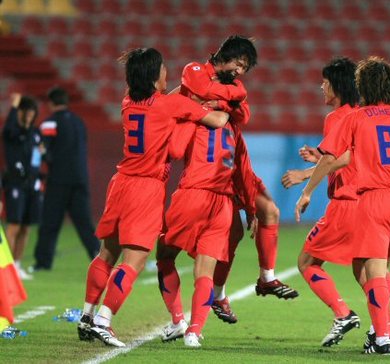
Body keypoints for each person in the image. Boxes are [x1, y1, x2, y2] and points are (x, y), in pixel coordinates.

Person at [76, 48, 229, 347]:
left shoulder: (128, 101)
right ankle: (105, 321)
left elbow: (170, 98)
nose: (166, 73)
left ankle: (87, 315)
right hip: (145, 188)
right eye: (162, 69)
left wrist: (185, 93)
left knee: (107, 253)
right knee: (134, 260)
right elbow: (217, 120)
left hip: (119, 182)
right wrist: (222, 108)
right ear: (154, 75)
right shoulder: (169, 106)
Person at [295, 56, 390, 355]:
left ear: (361, 86)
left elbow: (329, 157)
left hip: (373, 199)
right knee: (377, 271)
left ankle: (382, 338)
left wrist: (307, 191)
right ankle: (383, 331)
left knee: (372, 272)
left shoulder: (356, 117)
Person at [156, 35, 296, 335]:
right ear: (223, 56)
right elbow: (210, 92)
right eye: (239, 64)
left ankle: (263, 278)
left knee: (266, 212)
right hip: (209, 174)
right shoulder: (196, 71)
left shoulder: (228, 91)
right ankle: (217, 297)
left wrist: (220, 101)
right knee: (228, 235)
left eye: (245, 68)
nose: (240, 72)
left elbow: (243, 111)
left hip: (229, 167)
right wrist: (223, 100)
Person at [281, 57, 362, 347]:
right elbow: (351, 156)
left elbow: (334, 158)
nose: (321, 87)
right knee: (367, 270)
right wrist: (318, 160)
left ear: (337, 86)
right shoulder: (363, 115)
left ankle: (343, 314)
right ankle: (383, 330)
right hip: (370, 203)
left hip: (346, 202)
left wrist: (306, 179)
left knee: (306, 262)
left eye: (325, 82)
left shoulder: (337, 117)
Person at [29, 87, 99, 272]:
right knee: (84, 223)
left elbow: (43, 150)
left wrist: (45, 158)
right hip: (80, 179)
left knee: (50, 223)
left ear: (51, 103)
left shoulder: (49, 123)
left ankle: (43, 262)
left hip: (58, 180)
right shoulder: (79, 122)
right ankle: (98, 257)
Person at [2, 93, 43, 280]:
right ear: (19, 113)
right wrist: (14, 105)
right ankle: (7, 268)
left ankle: (17, 265)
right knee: (14, 225)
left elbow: (39, 157)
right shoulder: (13, 132)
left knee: (26, 227)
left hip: (32, 185)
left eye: (31, 113)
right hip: (15, 183)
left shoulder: (35, 134)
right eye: (25, 112)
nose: (29, 116)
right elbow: (8, 129)